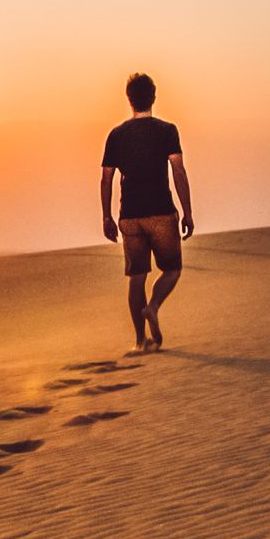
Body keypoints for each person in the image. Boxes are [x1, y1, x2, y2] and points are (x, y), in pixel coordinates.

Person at [100, 72, 194, 351]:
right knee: (173, 269)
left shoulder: (116, 135)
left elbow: (107, 178)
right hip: (161, 212)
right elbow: (178, 169)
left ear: (129, 100)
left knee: (137, 277)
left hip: (129, 215)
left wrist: (106, 216)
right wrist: (187, 212)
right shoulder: (167, 130)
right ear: (153, 97)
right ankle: (153, 307)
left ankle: (140, 342)